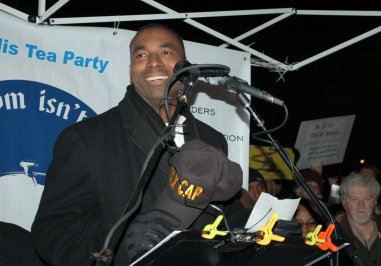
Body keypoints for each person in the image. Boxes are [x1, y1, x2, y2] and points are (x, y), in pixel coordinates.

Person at [31, 23, 249, 266]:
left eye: (166, 52)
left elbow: (223, 210)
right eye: (141, 55)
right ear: (131, 70)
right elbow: (52, 231)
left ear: (185, 68)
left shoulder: (212, 138)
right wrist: (124, 243)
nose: (153, 62)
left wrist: (261, 226)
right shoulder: (85, 138)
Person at [337, 173, 381, 266]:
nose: (361, 205)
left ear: (375, 201)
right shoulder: (334, 240)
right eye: (354, 199)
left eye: (367, 199)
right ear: (343, 202)